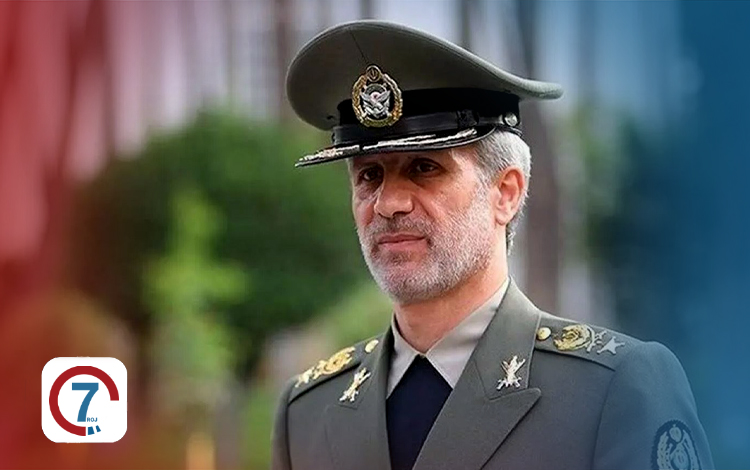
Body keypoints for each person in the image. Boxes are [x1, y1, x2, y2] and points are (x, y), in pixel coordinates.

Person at [272, 20, 713, 470]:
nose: (388, 203)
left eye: (424, 168)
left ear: (505, 193)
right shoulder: (306, 412)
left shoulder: (613, 391)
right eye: (369, 175)